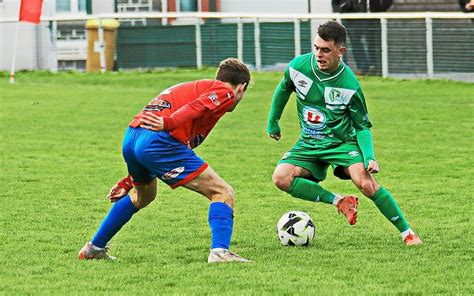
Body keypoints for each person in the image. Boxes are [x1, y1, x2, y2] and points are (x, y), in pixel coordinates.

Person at [78, 58, 252, 263]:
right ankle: (220, 253)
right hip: (158, 139)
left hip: (133, 136)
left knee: (143, 196)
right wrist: (169, 123)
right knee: (222, 192)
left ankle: (93, 248)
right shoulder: (225, 91)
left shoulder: (197, 88)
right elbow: (195, 107)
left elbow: (174, 132)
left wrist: (129, 180)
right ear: (242, 87)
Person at [266, 21, 422, 246]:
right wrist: (273, 122)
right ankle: (340, 201)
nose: (319, 54)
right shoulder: (298, 67)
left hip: (342, 143)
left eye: (326, 50)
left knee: (366, 184)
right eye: (316, 48)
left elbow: (362, 126)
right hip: (309, 142)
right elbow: (283, 88)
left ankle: (407, 233)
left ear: (341, 52)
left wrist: (369, 157)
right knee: (281, 178)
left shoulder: (350, 85)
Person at [332, 0, 393, 75]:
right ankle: (364, 67)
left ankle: (376, 68)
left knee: (374, 43)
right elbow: (335, 3)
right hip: (351, 17)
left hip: (374, 17)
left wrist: (380, 9)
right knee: (355, 40)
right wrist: (340, 10)